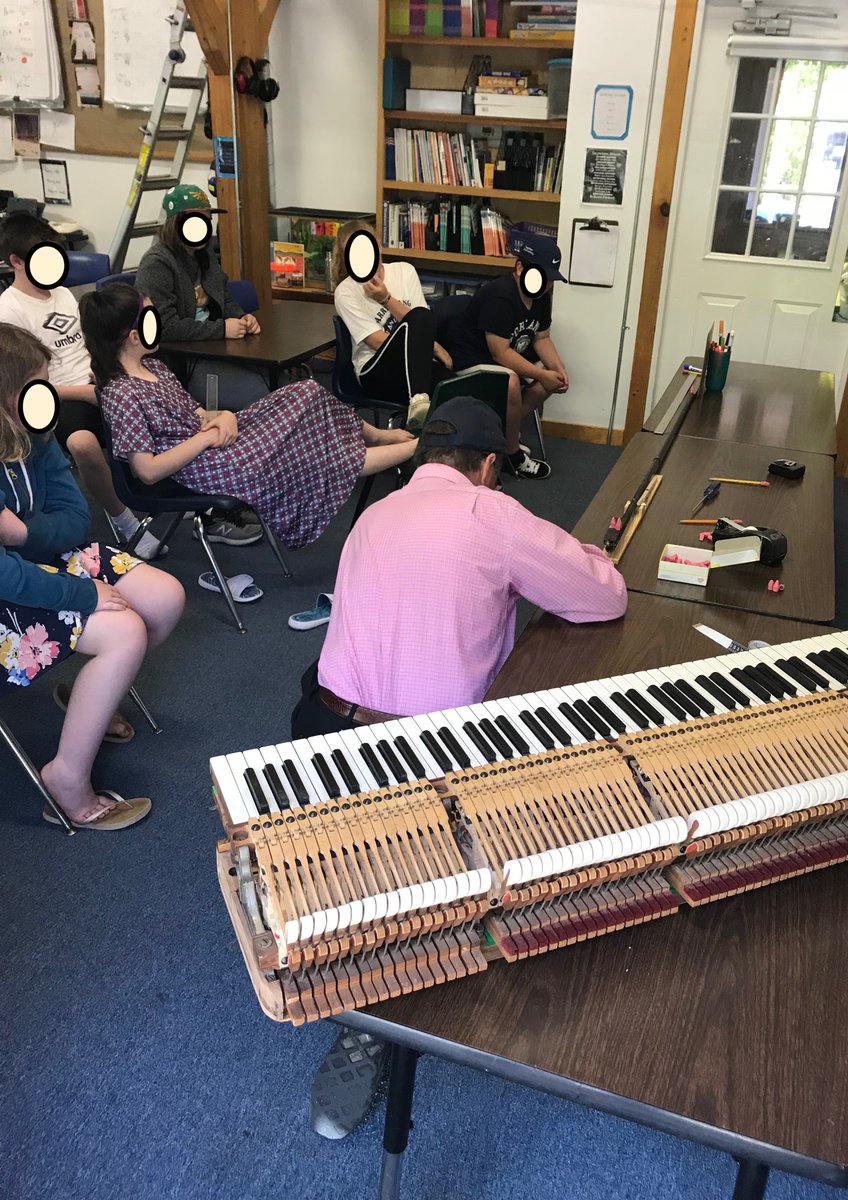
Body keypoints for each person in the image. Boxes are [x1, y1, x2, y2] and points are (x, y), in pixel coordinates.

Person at [292, 394, 626, 1141]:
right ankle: (374, 1017)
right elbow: (603, 598)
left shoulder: (375, 513)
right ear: (486, 467)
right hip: (422, 762)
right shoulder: (490, 513)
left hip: (319, 735)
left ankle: (388, 942)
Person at [0, 323, 184, 830]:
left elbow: (77, 517)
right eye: (34, 386)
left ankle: (94, 698)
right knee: (125, 630)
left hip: (41, 558)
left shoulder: (32, 433)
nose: (47, 395)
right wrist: (81, 593)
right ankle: (66, 779)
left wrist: (21, 535)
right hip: (10, 591)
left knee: (165, 598)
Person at [80, 284, 417, 553]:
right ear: (134, 336)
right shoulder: (122, 393)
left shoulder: (153, 367)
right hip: (202, 463)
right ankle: (418, 446)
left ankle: (376, 434)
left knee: (305, 391)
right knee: (312, 456)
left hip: (213, 442)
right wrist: (207, 437)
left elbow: (195, 412)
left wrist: (222, 416)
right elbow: (147, 471)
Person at [0, 212, 166, 559]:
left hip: (95, 380)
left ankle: (196, 494)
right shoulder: (9, 310)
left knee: (161, 406)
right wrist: (86, 393)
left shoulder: (61, 293)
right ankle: (125, 522)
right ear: (16, 261)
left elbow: (85, 345)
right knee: (83, 443)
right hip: (55, 396)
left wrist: (108, 374)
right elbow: (22, 388)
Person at [441, 232, 571, 480]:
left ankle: (498, 436)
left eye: (550, 280)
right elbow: (499, 352)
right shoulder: (500, 295)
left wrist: (558, 370)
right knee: (511, 380)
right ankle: (512, 455)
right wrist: (542, 373)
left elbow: (541, 337)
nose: (546, 285)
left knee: (549, 380)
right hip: (469, 360)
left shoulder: (541, 297)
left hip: (500, 360)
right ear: (521, 268)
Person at [135, 184, 268, 410]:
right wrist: (222, 329)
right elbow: (164, 327)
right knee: (261, 393)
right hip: (183, 364)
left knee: (274, 379)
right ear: (176, 223)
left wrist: (242, 316)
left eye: (207, 219)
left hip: (217, 349)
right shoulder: (156, 264)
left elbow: (223, 296)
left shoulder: (204, 254)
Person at [333, 219, 453, 428]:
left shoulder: (404, 271)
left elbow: (422, 323)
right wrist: (430, 347)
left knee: (453, 391)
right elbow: (376, 341)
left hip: (416, 365)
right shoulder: (346, 290)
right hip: (374, 370)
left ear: (378, 246)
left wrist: (386, 297)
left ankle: (426, 440)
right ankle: (418, 402)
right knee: (419, 318)